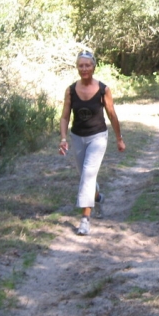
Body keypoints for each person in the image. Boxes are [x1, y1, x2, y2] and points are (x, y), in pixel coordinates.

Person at [59, 50, 126, 236]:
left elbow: (112, 114)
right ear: (77, 67)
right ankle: (97, 197)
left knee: (88, 175)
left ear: (94, 66)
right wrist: (63, 138)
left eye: (87, 65)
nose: (84, 68)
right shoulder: (71, 90)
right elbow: (65, 117)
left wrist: (119, 139)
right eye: (81, 65)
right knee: (85, 177)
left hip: (98, 137)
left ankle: (85, 220)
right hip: (77, 137)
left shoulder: (103, 89)